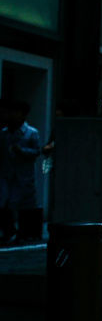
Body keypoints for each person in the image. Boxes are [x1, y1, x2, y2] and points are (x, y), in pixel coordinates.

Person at [0, 99, 43, 243]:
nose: (12, 115)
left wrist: (22, 151)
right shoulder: (4, 133)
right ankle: (9, 231)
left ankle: (22, 233)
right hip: (6, 175)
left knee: (23, 206)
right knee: (5, 204)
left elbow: (37, 151)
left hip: (23, 176)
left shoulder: (31, 133)